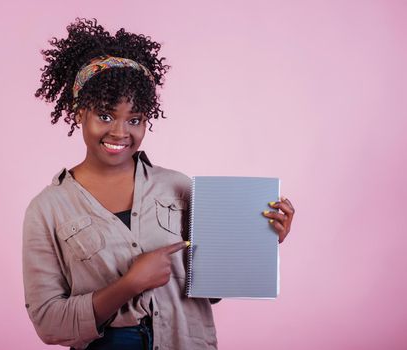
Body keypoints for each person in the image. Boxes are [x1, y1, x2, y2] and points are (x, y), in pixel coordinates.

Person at [22, 18, 295, 350]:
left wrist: (259, 243)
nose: (121, 133)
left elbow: (209, 289)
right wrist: (130, 283)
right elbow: (50, 324)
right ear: (80, 113)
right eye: (105, 116)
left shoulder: (178, 188)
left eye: (134, 119)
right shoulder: (47, 209)